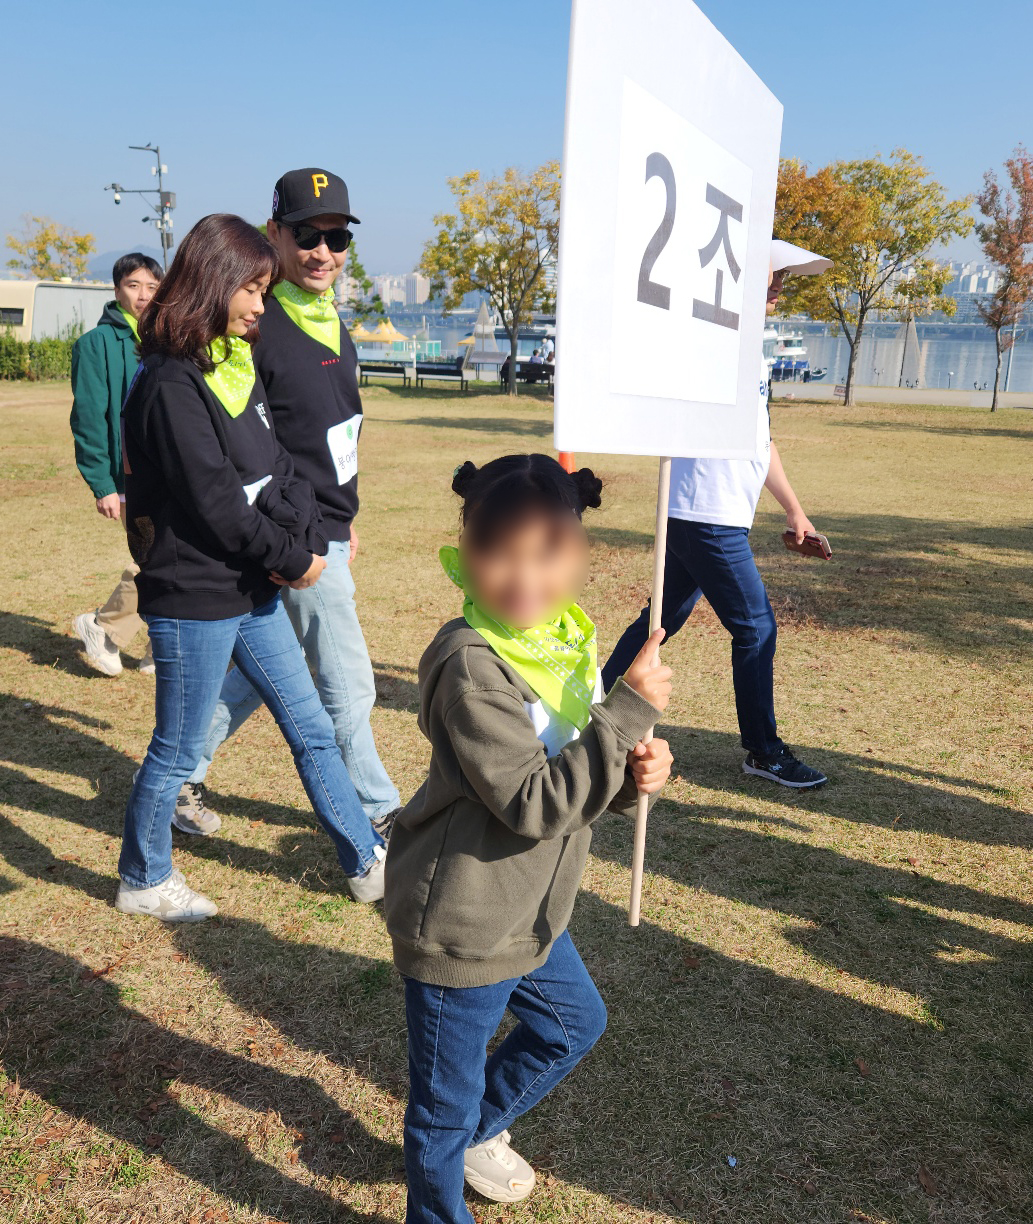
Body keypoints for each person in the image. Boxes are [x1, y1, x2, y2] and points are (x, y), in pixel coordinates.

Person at [385, 455, 674, 1223]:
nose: (523, 578)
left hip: (531, 912)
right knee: (439, 1112)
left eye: (546, 555)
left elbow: (575, 772)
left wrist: (631, 777)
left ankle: (471, 1138)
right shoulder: (471, 664)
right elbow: (533, 801)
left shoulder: (557, 645)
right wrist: (626, 714)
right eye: (499, 553)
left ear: (578, 554)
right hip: (466, 924)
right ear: (466, 552)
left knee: (573, 1025)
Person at [116, 213, 387, 923]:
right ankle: (143, 876)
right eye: (254, 290)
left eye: (266, 290)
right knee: (177, 749)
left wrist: (304, 535)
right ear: (215, 282)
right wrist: (294, 561)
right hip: (194, 595)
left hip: (250, 586)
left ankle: (367, 861)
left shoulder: (231, 362)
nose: (262, 306)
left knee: (311, 726)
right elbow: (215, 503)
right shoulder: (170, 383)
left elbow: (279, 467)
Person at [175, 168, 401, 841]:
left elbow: (335, 429)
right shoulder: (254, 324)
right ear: (274, 232)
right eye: (307, 235)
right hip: (290, 534)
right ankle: (379, 812)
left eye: (337, 238)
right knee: (347, 680)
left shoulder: (331, 320)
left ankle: (179, 774)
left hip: (326, 525)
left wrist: (345, 515)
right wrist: (286, 533)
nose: (323, 251)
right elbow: (239, 441)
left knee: (265, 668)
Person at [604, 239, 833, 789]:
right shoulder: (709, 344)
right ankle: (763, 751)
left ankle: (592, 709)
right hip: (704, 512)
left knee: (659, 622)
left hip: (708, 513)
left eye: (784, 279)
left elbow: (761, 442)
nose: (780, 288)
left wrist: (795, 511)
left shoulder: (750, 351)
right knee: (755, 628)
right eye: (774, 277)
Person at [70, 253, 162, 679]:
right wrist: (103, 484)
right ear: (116, 289)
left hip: (170, 467)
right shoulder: (96, 344)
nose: (143, 295)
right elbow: (89, 418)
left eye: (152, 287)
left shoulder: (166, 336)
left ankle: (158, 643)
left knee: (170, 554)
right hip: (128, 475)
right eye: (133, 285)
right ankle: (103, 626)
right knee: (156, 555)